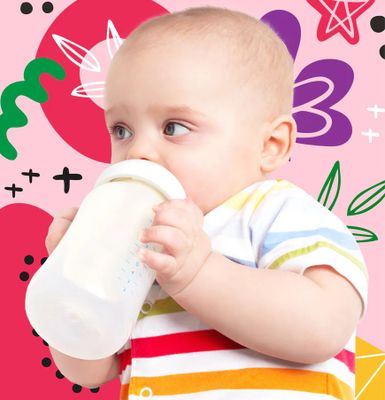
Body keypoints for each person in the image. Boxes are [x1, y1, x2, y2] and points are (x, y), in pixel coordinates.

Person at [45, 6, 368, 399]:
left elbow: (325, 326)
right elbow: (92, 367)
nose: (138, 151)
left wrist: (197, 275)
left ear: (270, 145)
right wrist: (72, 280)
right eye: (122, 129)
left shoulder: (276, 212)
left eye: (174, 127)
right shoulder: (139, 242)